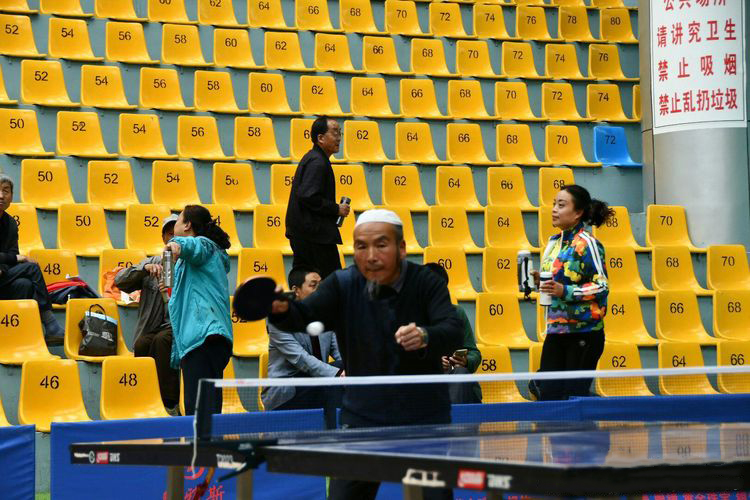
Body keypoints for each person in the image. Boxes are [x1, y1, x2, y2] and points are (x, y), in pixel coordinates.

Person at [268, 209, 463, 500]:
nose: (371, 255)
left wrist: (426, 336)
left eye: (381, 245)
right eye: (361, 246)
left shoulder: (425, 282)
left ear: (401, 248)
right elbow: (304, 316)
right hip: (363, 417)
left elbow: (453, 329)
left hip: (424, 417)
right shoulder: (342, 284)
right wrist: (279, 308)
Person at [531, 185, 613, 401]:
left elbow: (602, 286)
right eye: (554, 204)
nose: (554, 209)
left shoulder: (588, 243)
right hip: (556, 331)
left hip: (584, 333)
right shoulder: (553, 243)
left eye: (561, 205)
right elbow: (558, 282)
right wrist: (541, 282)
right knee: (548, 396)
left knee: (573, 398)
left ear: (578, 213)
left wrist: (564, 290)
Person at [164, 205, 233, 416]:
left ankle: (204, 440)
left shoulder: (204, 245)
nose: (174, 226)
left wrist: (174, 245)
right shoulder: (198, 260)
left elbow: (193, 246)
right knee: (206, 410)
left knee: (200, 413)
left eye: (178, 220)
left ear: (187, 225)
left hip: (204, 339)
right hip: (206, 340)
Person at [114, 214, 180, 416]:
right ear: (163, 238)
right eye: (169, 234)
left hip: (179, 327)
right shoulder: (154, 261)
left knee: (162, 341)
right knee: (142, 343)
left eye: (176, 235)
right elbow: (120, 281)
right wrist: (143, 269)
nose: (173, 239)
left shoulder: (189, 266)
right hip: (153, 327)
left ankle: (169, 402)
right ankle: (143, 395)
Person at [262, 266, 343, 428]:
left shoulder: (325, 315)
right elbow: (301, 359)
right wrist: (337, 374)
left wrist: (351, 371)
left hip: (318, 383)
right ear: (296, 290)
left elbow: (339, 351)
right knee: (334, 380)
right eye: (313, 285)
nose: (320, 290)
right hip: (288, 391)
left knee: (348, 365)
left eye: (321, 285)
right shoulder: (279, 319)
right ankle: (334, 432)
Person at [0, 174, 64, 343]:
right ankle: (50, 322)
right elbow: (14, 256)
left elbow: (11, 253)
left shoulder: (10, 223)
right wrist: (15, 259)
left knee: (25, 285)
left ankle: (17, 334)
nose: (1, 195)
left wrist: (3, 267)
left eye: (5, 191)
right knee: (32, 267)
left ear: (11, 195)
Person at [285, 116, 350, 279]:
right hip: (314, 237)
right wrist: (336, 209)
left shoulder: (315, 158)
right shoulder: (318, 162)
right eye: (334, 133)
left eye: (340, 133)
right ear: (320, 138)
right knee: (330, 282)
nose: (339, 138)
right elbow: (308, 196)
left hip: (308, 234)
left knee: (307, 282)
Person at [424, 263, 482, 404]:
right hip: (425, 384)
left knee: (461, 373)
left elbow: (474, 353)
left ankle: (454, 417)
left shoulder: (457, 314)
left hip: (455, 380)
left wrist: (466, 361)